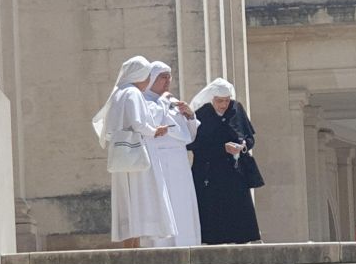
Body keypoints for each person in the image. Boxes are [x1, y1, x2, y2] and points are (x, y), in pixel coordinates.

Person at [92, 56, 176, 248]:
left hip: (121, 155)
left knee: (126, 201)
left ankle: (130, 244)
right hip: (137, 154)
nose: (148, 81)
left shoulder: (118, 94)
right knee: (138, 198)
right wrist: (155, 130)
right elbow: (138, 123)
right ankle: (134, 246)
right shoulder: (133, 93)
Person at [187, 78, 261, 244]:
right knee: (214, 214)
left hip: (235, 172)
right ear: (211, 99)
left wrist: (242, 146)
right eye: (219, 101)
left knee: (239, 214)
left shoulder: (236, 109)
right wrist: (222, 148)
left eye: (227, 100)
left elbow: (250, 138)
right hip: (210, 173)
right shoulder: (202, 114)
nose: (224, 105)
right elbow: (194, 145)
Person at [140, 61, 201, 247]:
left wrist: (190, 116)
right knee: (163, 204)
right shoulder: (144, 101)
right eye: (162, 77)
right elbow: (152, 123)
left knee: (182, 204)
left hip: (179, 162)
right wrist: (164, 102)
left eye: (169, 77)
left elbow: (189, 136)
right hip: (159, 160)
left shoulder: (172, 102)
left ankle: (186, 243)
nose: (167, 81)